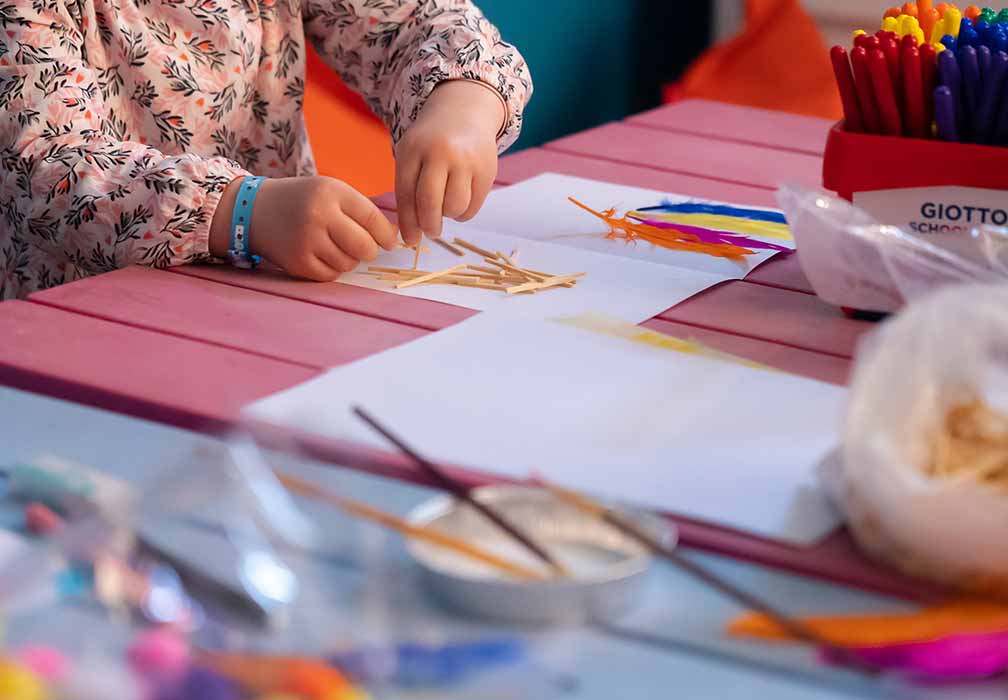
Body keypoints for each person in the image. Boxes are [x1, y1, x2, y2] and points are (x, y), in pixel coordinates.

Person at [0, 0, 532, 299]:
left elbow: (413, 23)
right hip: (82, 319)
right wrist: (243, 211)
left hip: (275, 291)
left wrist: (462, 100)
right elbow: (46, 167)